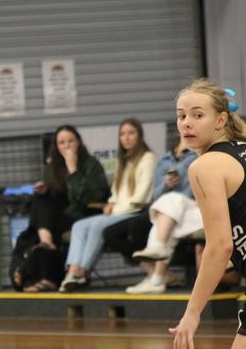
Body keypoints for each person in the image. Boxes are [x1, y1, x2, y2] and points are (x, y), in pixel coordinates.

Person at [169, 78, 246, 349]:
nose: (186, 123)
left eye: (197, 115)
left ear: (221, 119)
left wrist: (192, 313)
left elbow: (219, 246)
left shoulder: (205, 166)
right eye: (181, 115)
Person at [59, 118, 157, 292]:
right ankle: (73, 270)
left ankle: (82, 272)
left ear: (139, 136)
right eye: (122, 134)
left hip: (136, 211)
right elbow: (117, 191)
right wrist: (110, 203)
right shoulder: (124, 159)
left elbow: (141, 196)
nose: (126, 138)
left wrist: (115, 208)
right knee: (79, 225)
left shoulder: (148, 158)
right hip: (119, 210)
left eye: (131, 133)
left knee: (97, 225)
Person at [10, 125, 110, 292]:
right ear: (56, 146)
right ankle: (45, 247)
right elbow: (56, 197)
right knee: (39, 204)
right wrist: (45, 189)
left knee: (37, 229)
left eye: (71, 141)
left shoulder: (91, 165)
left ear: (78, 142)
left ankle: (29, 274)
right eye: (62, 143)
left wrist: (73, 170)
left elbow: (87, 197)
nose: (67, 146)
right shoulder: (53, 167)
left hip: (84, 212)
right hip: (60, 214)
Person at [103, 136, 197, 269]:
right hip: (160, 207)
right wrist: (166, 185)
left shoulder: (198, 156)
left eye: (131, 133)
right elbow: (156, 195)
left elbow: (192, 193)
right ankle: (154, 273)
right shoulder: (164, 159)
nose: (126, 138)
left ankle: (159, 273)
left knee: (143, 223)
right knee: (110, 232)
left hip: (184, 207)